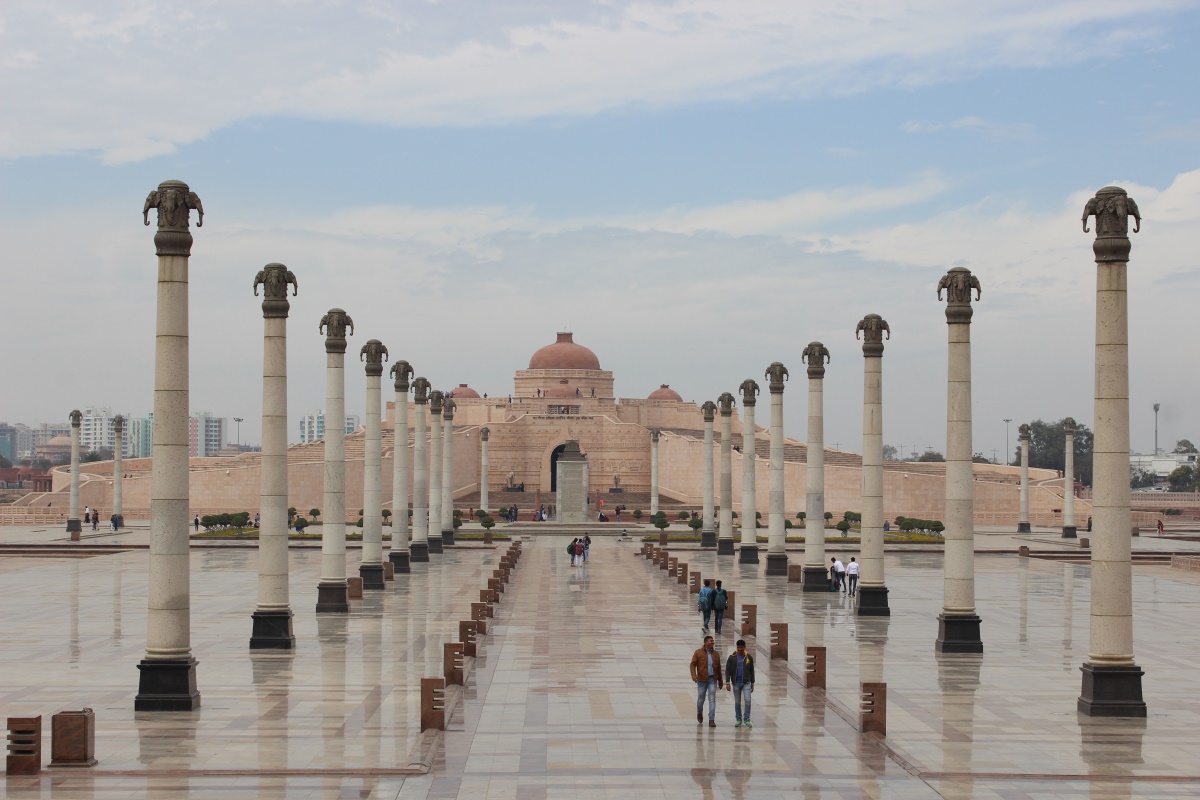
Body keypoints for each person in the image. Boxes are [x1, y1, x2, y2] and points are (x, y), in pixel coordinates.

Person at [689, 635, 723, 727]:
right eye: (710, 641)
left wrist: (720, 680)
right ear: (705, 642)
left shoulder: (716, 654)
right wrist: (694, 675)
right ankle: (699, 712)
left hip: (712, 679)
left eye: (713, 641)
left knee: (712, 699)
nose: (712, 642)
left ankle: (711, 719)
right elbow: (692, 665)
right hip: (702, 680)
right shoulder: (698, 653)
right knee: (701, 699)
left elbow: (719, 668)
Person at [725, 639, 755, 727]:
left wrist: (752, 683)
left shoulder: (749, 657)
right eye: (738, 648)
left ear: (744, 647)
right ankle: (738, 719)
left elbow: (751, 670)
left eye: (741, 647)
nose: (740, 649)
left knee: (748, 700)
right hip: (736, 683)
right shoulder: (732, 657)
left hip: (746, 683)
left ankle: (747, 719)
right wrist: (727, 682)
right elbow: (728, 670)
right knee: (737, 702)